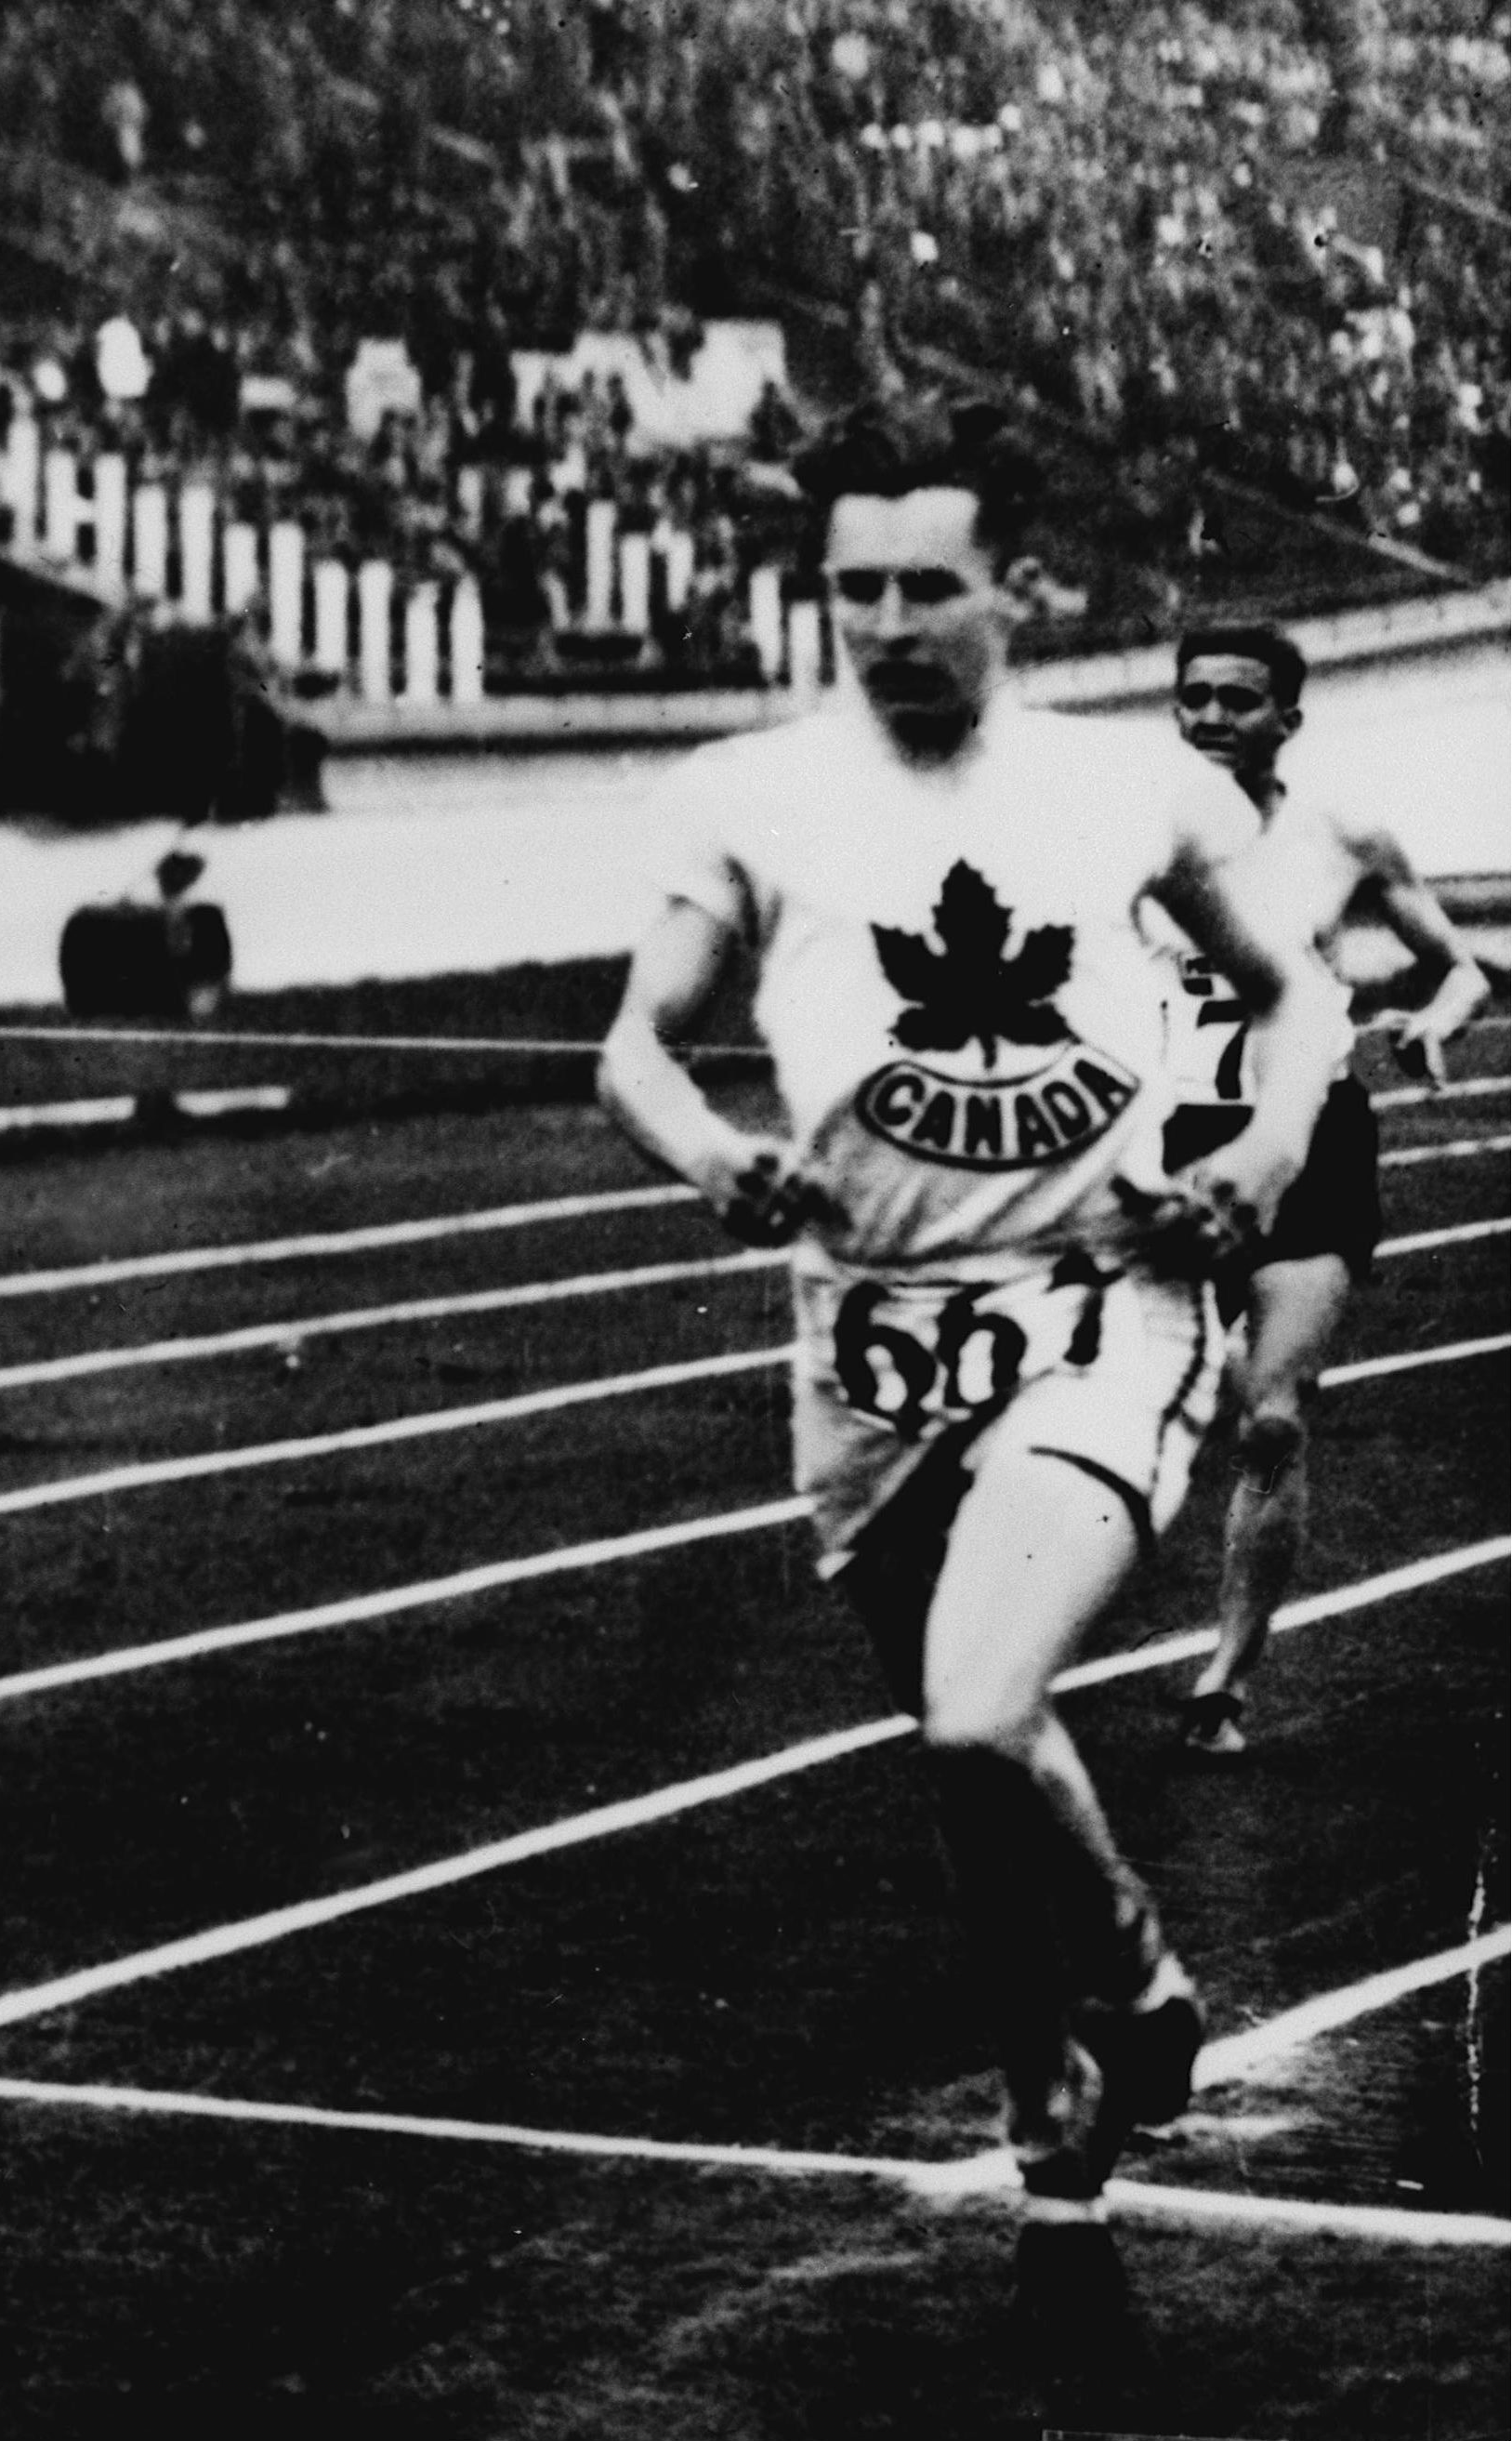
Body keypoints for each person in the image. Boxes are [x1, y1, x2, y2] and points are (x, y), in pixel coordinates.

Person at [594, 402, 1349, 2223]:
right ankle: (1049, 2075)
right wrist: (712, 1152)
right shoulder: (744, 794)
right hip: (863, 1337)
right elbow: (633, 1046)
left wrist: (1252, 1156)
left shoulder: (1126, 786)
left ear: (1016, 587)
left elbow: (1302, 999)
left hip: (1096, 1299)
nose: (890, 622)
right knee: (968, 1755)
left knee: (978, 1704)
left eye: (930, 583)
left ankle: (1149, 1993)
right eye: (855, 587)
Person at [1157, 622, 1491, 1754]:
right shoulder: (1122, 835)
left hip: (1309, 1138)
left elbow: (1465, 967)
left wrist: (1434, 1023)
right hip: (1163, 1146)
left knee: (1273, 1423)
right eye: (1193, 698)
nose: (1209, 719)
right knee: (1172, 1392)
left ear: (1286, 720)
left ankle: (1225, 1680)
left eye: (1237, 702)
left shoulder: (1340, 836)